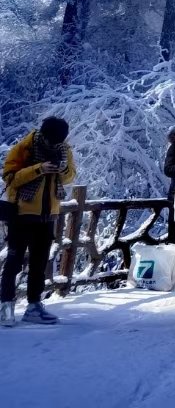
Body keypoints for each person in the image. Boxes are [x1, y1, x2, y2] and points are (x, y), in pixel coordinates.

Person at [1, 116, 76, 326]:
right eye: (52, 140)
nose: (54, 145)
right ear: (43, 134)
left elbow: (71, 176)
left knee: (39, 263)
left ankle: (34, 306)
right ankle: (5, 306)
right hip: (21, 213)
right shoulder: (24, 147)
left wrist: (61, 171)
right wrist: (38, 169)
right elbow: (9, 177)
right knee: (14, 261)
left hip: (47, 214)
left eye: (58, 142)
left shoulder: (64, 149)